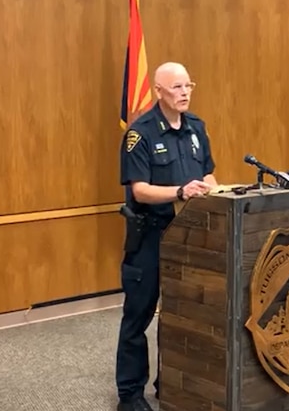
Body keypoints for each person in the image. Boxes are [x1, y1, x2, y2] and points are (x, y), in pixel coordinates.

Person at [116, 62, 218, 411]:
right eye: (176, 87)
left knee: (182, 313)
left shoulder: (196, 128)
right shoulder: (140, 134)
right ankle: (130, 394)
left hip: (190, 236)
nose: (185, 92)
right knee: (139, 314)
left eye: (189, 85)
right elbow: (140, 190)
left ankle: (170, 383)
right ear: (158, 91)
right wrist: (180, 192)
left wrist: (219, 199)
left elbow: (208, 174)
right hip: (152, 235)